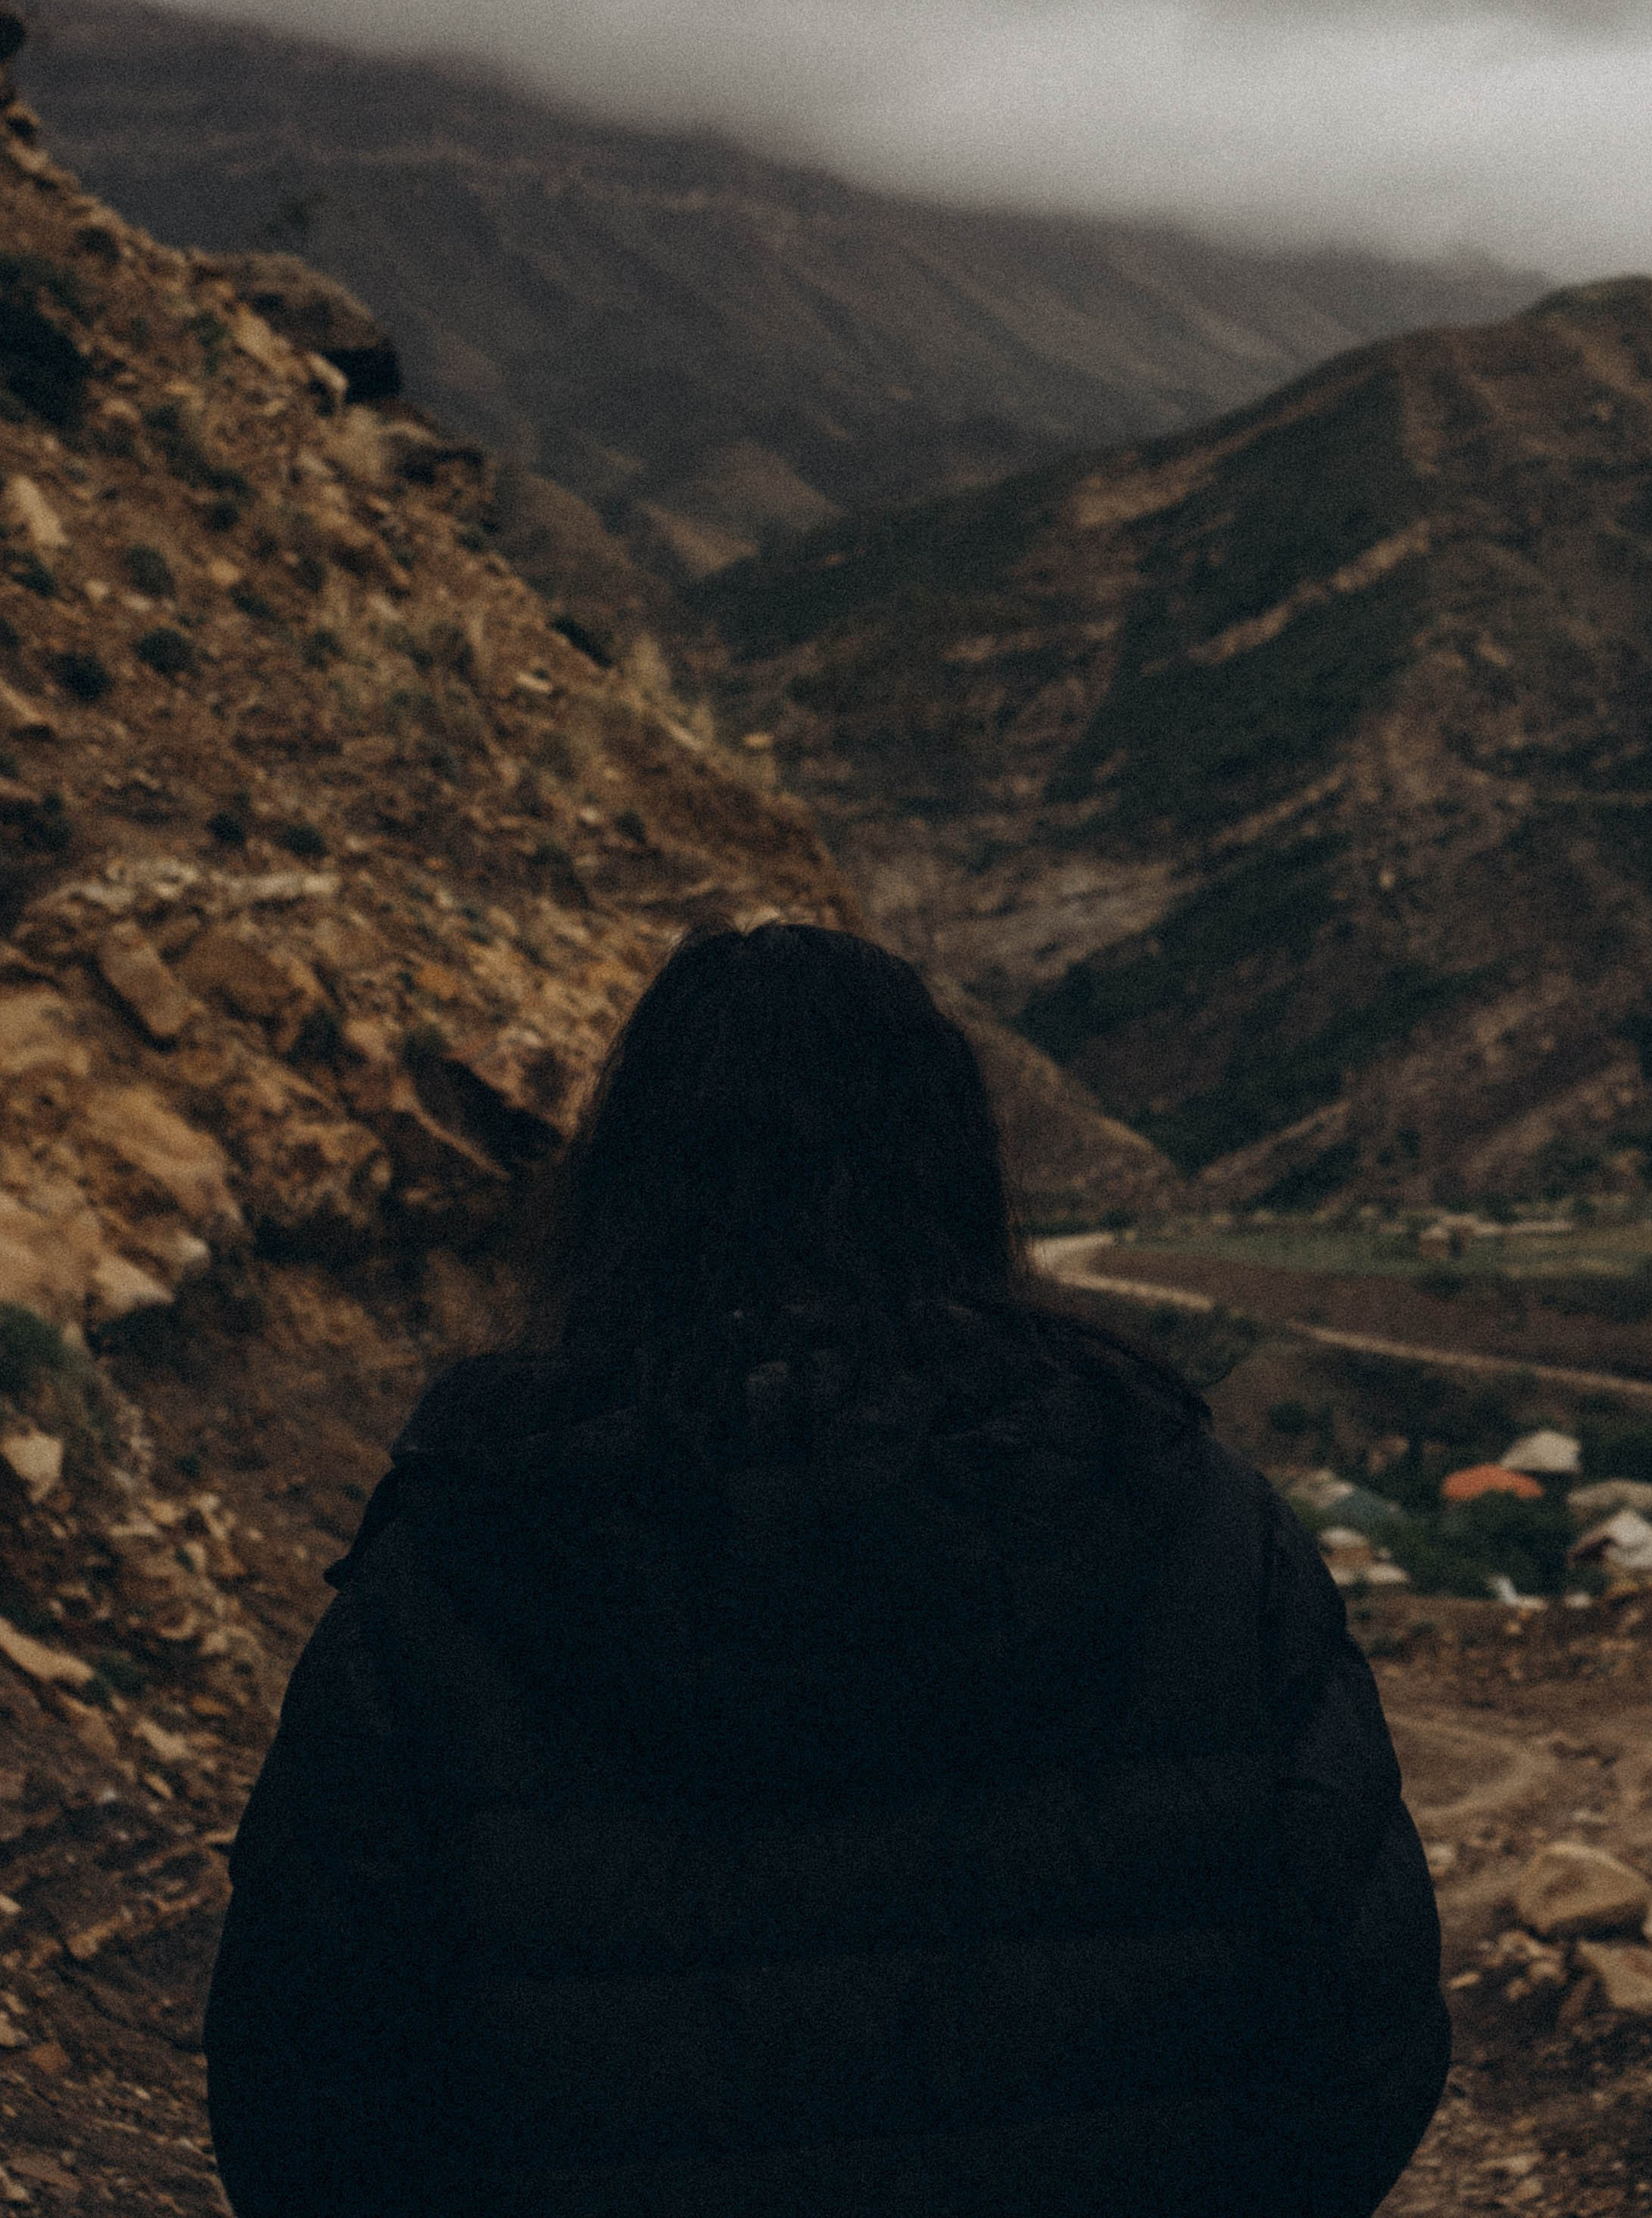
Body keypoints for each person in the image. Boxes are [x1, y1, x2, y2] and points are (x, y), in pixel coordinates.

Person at [206, 922, 1448, 2216]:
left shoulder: (460, 1558)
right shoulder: (1194, 1522)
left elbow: (304, 2088)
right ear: (960, 1175)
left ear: (627, 1190)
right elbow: (1358, 2035)